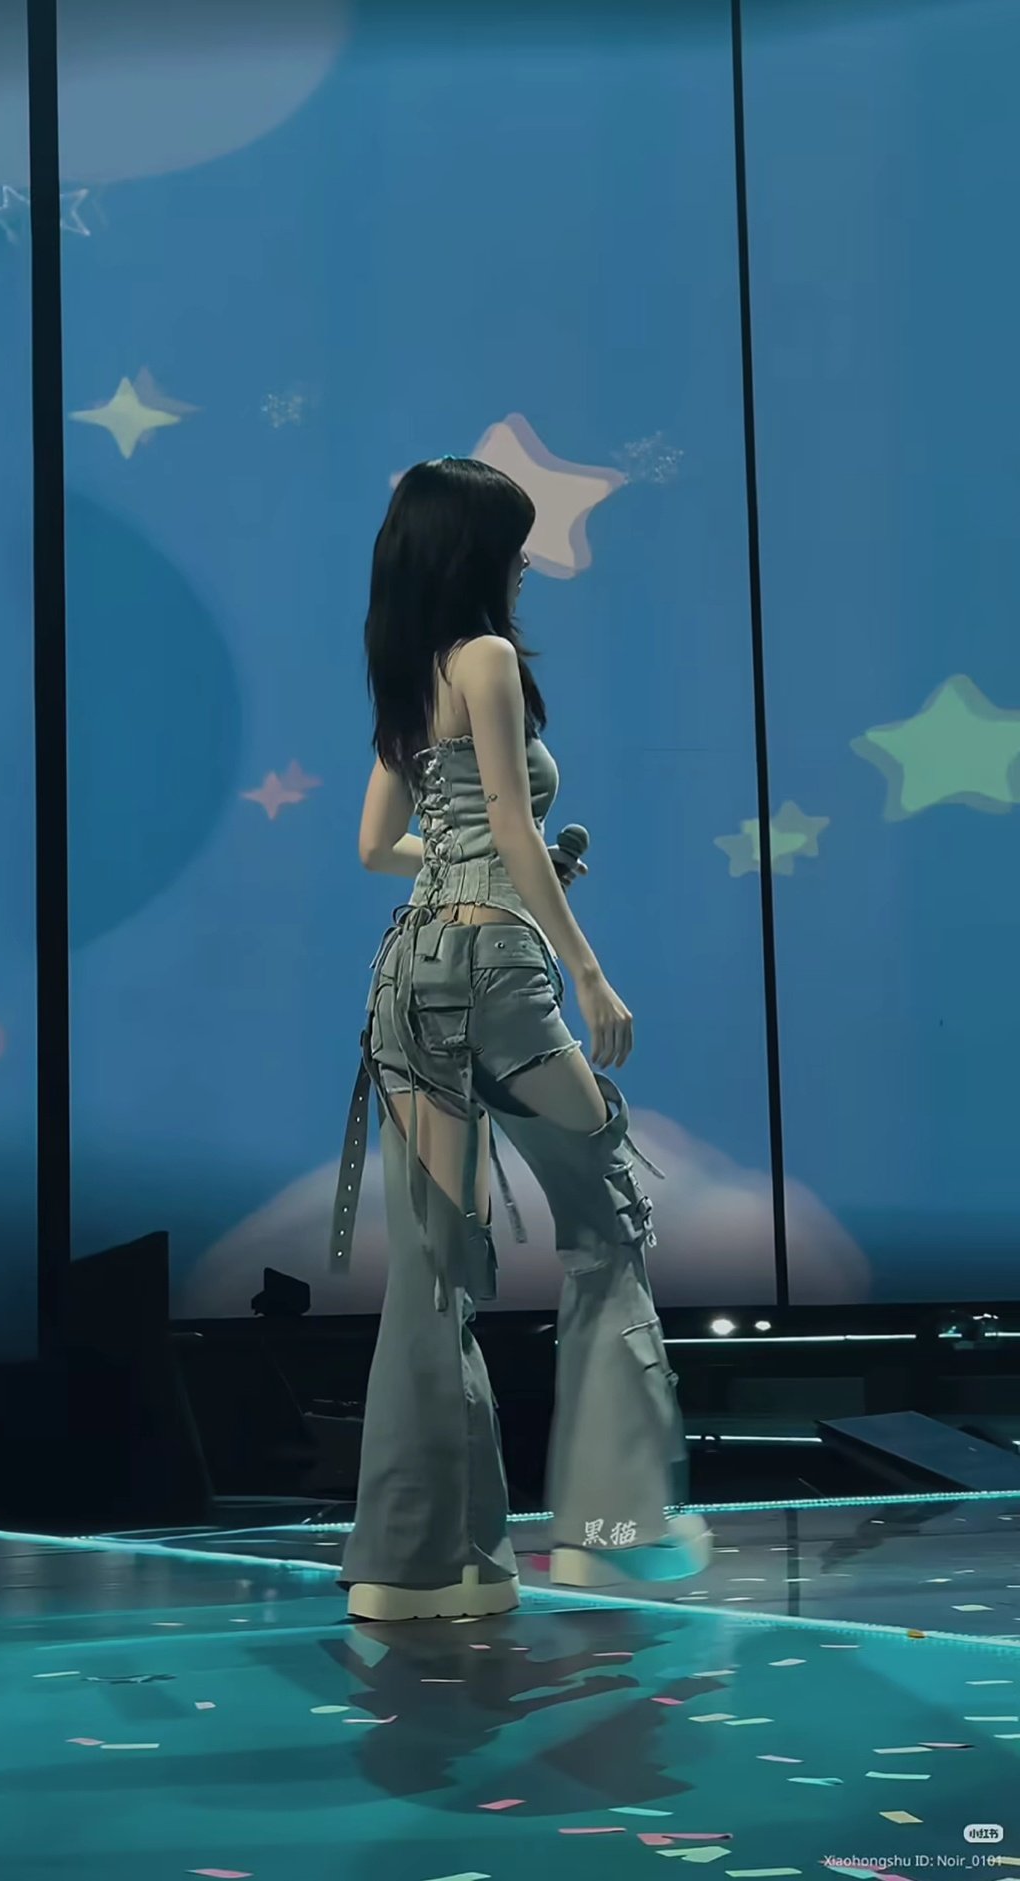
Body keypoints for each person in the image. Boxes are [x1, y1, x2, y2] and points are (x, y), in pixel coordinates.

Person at [330, 457, 710, 1623]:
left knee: (433, 1269)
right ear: (477, 553)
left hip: (407, 976)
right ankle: (611, 1533)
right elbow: (504, 821)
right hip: (497, 975)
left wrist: (508, 867)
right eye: (514, 543)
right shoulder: (487, 658)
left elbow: (379, 849)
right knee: (605, 1220)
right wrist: (587, 970)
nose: (526, 565)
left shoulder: (411, 672)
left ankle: (419, 1569)